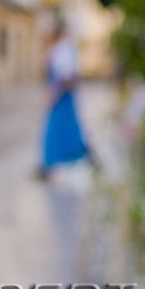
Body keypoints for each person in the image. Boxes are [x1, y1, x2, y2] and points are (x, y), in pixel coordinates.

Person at [39, 17, 89, 179]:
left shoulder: (63, 49)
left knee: (59, 128)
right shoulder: (60, 48)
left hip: (62, 97)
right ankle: (55, 160)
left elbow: (67, 76)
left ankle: (54, 161)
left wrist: (56, 92)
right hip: (62, 96)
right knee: (62, 128)